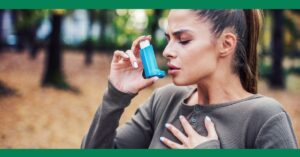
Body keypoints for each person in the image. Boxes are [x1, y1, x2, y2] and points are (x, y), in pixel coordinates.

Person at [81, 9, 298, 149]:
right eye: (168, 39)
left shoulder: (266, 117)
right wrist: (116, 95)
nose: (167, 51)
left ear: (226, 44)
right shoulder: (164, 101)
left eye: (183, 40)